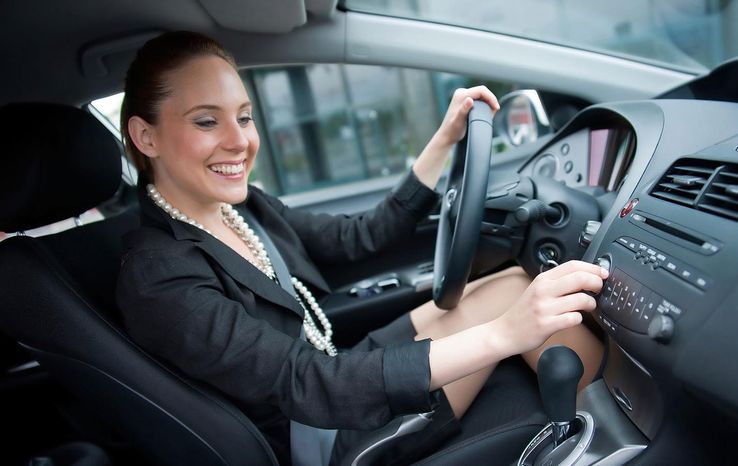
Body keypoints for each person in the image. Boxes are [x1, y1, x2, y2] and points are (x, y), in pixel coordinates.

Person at [116, 31, 606, 465]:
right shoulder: (158, 276)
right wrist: (505, 335)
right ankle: (619, 436)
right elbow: (304, 382)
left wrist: (443, 140)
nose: (239, 141)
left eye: (244, 117)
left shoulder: (241, 209)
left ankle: (608, 412)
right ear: (146, 136)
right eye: (206, 122)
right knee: (517, 309)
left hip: (335, 367)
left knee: (516, 283)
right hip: (324, 433)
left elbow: (357, 236)